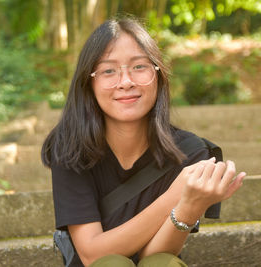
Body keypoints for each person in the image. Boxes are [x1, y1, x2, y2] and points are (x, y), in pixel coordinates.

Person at [41, 17, 246, 267]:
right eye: (108, 71)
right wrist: (175, 196)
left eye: (139, 67)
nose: (126, 82)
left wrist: (189, 207)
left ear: (158, 75)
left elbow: (154, 257)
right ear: (89, 83)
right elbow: (93, 254)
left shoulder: (190, 153)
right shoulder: (71, 149)